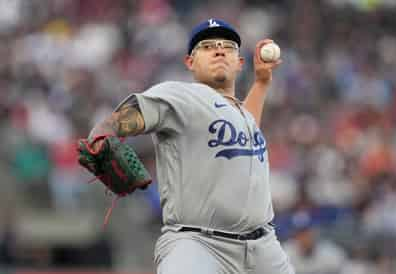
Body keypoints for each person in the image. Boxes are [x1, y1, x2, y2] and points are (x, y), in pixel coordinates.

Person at [85, 18, 294, 274]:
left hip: (264, 248)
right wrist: (104, 132)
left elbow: (246, 126)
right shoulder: (180, 96)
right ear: (190, 62)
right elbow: (125, 118)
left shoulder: (240, 115)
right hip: (199, 244)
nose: (219, 50)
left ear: (240, 63)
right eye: (207, 47)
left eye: (227, 47)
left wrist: (261, 83)